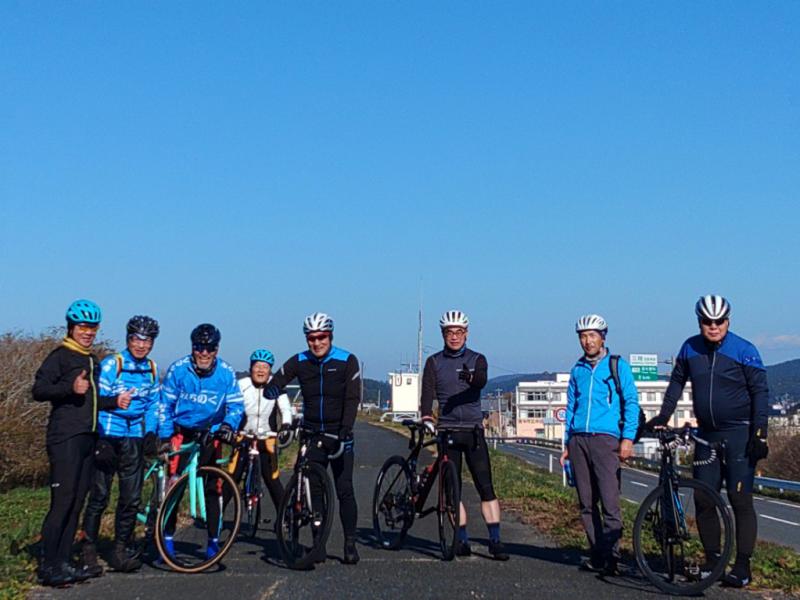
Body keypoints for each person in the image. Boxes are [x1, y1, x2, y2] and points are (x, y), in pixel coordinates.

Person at [647, 295, 769, 587]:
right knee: (703, 499)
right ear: (699, 321)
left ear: (728, 321)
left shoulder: (744, 350)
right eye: (707, 321)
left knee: (740, 500)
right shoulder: (690, 348)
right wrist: (664, 415)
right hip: (706, 435)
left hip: (739, 434)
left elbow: (760, 392)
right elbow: (677, 382)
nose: (713, 326)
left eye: (719, 321)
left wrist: (760, 433)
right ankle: (713, 562)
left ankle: (742, 567)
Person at [32, 299, 133, 586]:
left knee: (76, 503)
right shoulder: (60, 356)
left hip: (89, 438)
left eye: (92, 328)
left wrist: (115, 401)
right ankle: (48, 566)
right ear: (71, 327)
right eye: (83, 327)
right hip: (65, 437)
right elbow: (39, 390)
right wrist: (70, 387)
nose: (88, 332)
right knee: (62, 502)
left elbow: (91, 399)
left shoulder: (91, 359)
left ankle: (64, 562)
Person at [264, 312, 361, 564]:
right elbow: (278, 379)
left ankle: (350, 543)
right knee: (314, 489)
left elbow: (353, 398)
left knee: (344, 489)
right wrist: (271, 389)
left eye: (322, 337)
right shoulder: (300, 361)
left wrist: (346, 428)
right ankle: (319, 543)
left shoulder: (347, 360)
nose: (317, 343)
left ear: (330, 336)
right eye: (311, 338)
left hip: (338, 434)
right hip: (312, 433)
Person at [420, 310, 509, 561]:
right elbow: (427, 392)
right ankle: (461, 539)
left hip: (472, 432)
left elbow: (481, 380)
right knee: (453, 490)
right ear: (443, 334)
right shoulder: (434, 362)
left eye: (459, 332)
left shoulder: (477, 359)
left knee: (486, 487)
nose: (454, 336)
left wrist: (469, 377)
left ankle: (495, 540)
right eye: (449, 332)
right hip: (447, 431)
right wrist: (426, 416)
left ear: (466, 334)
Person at [80, 316, 162, 575]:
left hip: (134, 436)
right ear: (128, 339)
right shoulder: (112, 364)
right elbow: (96, 399)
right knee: (100, 495)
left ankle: (119, 549)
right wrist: (101, 435)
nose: (141, 345)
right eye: (137, 339)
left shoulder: (151, 368)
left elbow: (153, 404)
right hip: (108, 434)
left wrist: (151, 432)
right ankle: (88, 549)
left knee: (131, 497)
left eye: (147, 341)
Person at [560, 314, 639, 576]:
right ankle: (598, 554)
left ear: (602, 337)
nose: (587, 341)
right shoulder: (578, 369)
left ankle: (613, 557)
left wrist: (627, 438)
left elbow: (631, 402)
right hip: (578, 439)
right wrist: (567, 443)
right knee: (586, 502)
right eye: (583, 336)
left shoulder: (617, 366)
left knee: (609, 501)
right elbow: (571, 407)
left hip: (606, 439)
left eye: (592, 335)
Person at [160, 323, 244, 559]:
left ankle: (213, 541)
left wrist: (227, 426)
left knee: (213, 488)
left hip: (210, 434)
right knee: (174, 487)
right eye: (199, 347)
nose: (204, 353)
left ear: (217, 349)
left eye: (209, 348)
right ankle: (166, 540)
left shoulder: (226, 373)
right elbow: (164, 405)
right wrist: (165, 436)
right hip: (182, 433)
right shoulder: (178, 369)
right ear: (192, 347)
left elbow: (236, 405)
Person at [231, 349, 293, 525]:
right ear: (251, 368)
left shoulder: (276, 384)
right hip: (243, 435)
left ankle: (285, 518)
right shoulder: (241, 384)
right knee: (232, 477)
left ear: (270, 370)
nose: (260, 370)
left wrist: (286, 425)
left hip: (267, 437)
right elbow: (230, 405)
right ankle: (217, 520)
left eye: (265, 367)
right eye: (257, 366)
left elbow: (285, 409)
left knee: (272, 478)